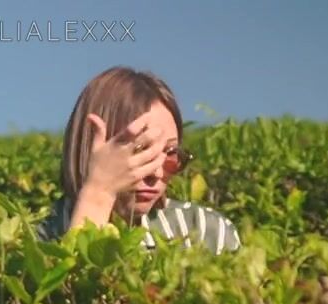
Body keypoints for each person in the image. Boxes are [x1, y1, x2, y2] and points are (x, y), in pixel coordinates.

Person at [36, 67, 241, 254]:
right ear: (89, 147)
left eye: (170, 153)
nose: (157, 173)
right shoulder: (37, 239)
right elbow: (73, 291)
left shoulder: (206, 231)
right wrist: (98, 193)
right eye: (140, 151)